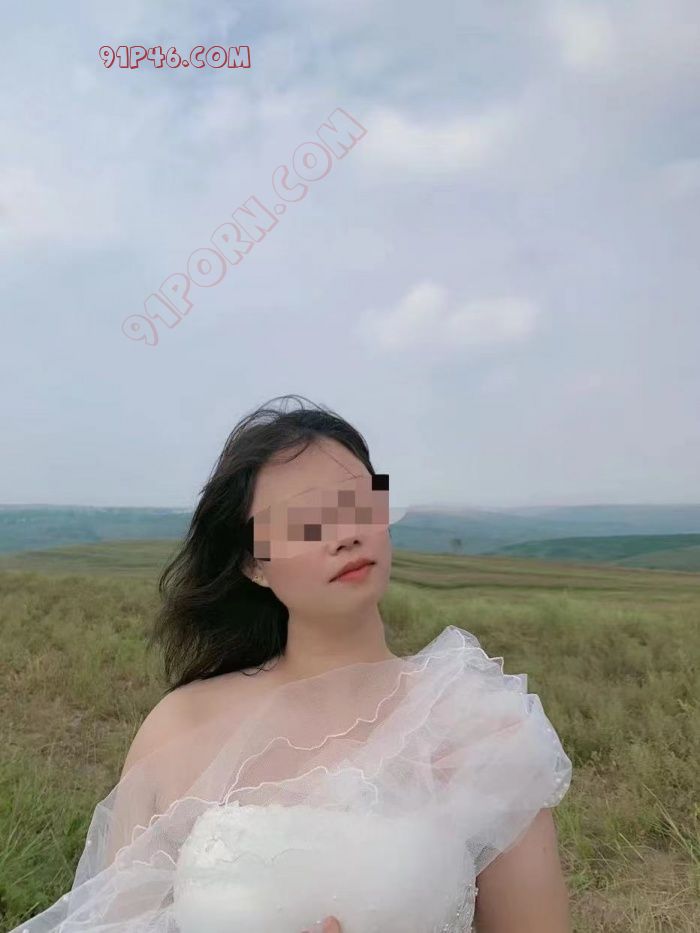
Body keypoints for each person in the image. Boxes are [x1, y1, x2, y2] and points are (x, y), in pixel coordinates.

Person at [10, 394, 573, 932]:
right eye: (305, 522)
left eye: (358, 504)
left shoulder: (482, 730)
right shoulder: (180, 729)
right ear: (253, 564)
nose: (345, 535)